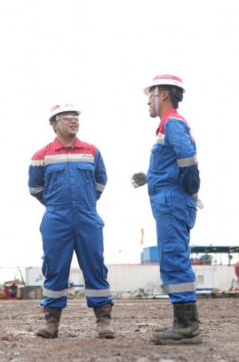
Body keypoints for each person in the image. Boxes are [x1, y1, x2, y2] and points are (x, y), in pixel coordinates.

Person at [28, 103, 115, 339]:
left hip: (87, 216)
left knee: (95, 266)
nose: (74, 120)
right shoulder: (41, 156)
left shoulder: (92, 152)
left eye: (76, 116)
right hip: (56, 218)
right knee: (55, 268)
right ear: (54, 124)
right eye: (67, 117)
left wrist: (86, 201)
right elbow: (35, 188)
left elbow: (101, 181)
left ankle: (103, 321)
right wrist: (56, 205)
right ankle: (51, 323)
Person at [131, 74, 202, 345]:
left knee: (174, 258)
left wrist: (188, 188)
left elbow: (187, 159)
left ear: (162, 94)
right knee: (173, 259)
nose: (147, 102)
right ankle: (182, 321)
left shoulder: (172, 122)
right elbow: (174, 163)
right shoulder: (167, 125)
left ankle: (187, 326)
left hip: (172, 200)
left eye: (150, 96)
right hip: (170, 199)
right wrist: (150, 177)